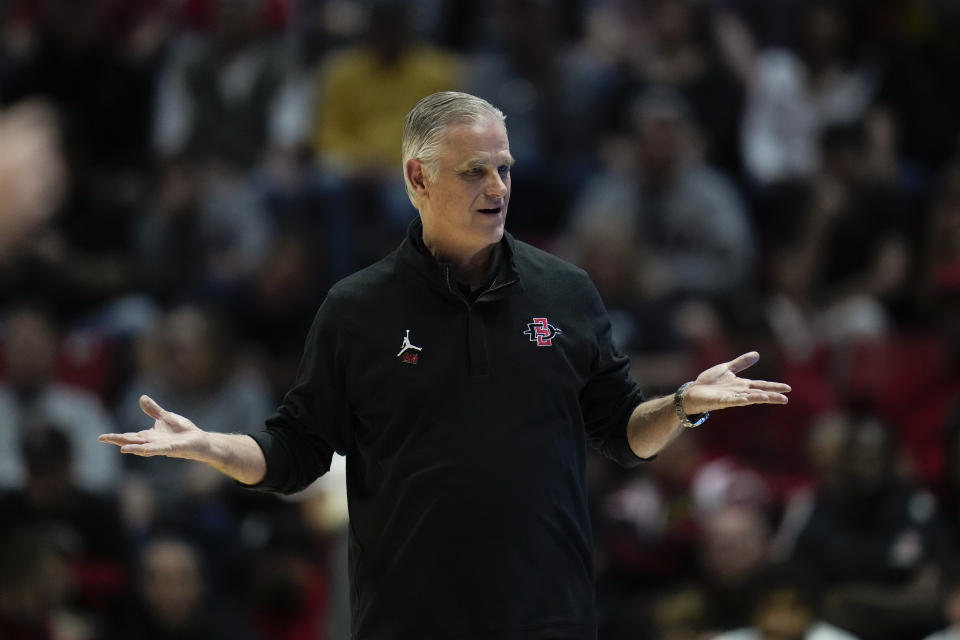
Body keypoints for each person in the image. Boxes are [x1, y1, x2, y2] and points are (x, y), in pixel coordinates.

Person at [100, 91, 791, 640]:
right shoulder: (357, 309)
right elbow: (296, 451)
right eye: (475, 171)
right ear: (416, 177)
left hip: (547, 615)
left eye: (505, 168)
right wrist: (210, 445)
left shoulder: (565, 291)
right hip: (411, 621)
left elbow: (619, 431)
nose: (498, 187)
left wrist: (682, 405)